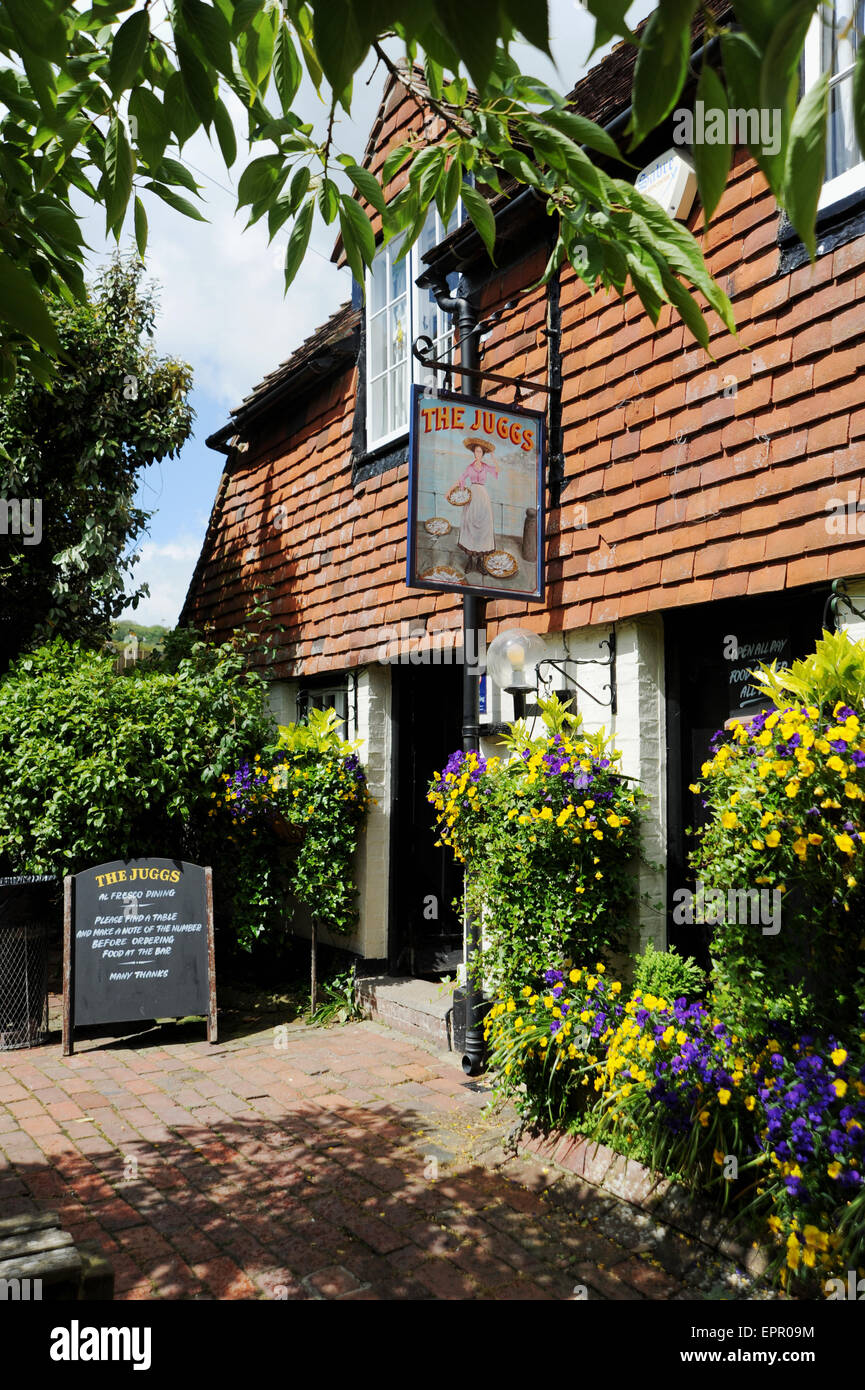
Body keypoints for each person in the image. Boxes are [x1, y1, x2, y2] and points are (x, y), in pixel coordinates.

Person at [457, 437, 499, 574]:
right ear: (474, 453)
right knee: (470, 525)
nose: (478, 454)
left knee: (484, 526)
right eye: (476, 451)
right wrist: (462, 493)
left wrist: (493, 457)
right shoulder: (470, 467)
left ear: (483, 454)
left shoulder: (486, 467)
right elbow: (461, 479)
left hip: (483, 497)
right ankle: (470, 560)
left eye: (480, 452)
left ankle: (480, 562)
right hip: (472, 496)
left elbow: (496, 471)